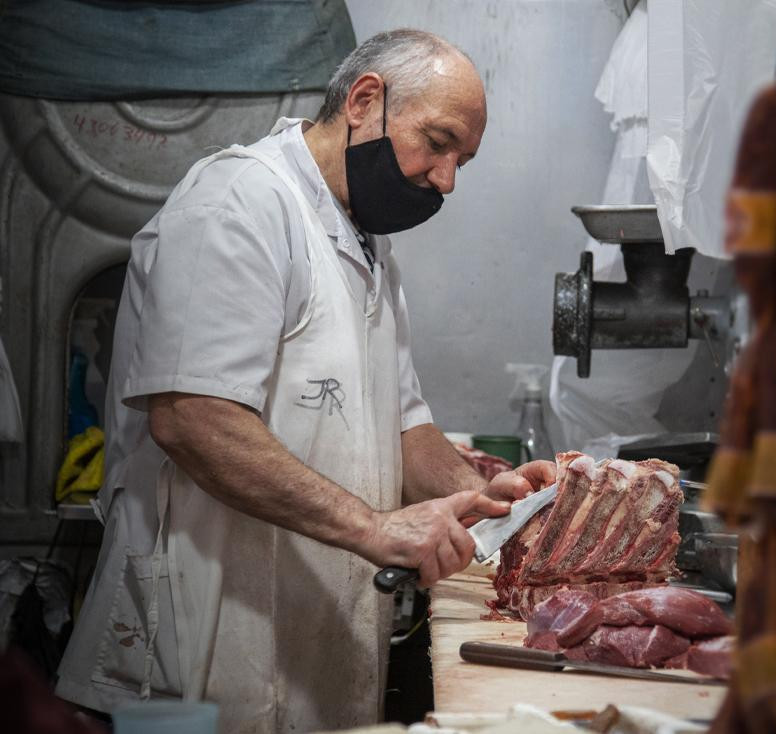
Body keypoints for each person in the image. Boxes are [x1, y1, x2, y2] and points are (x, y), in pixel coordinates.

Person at [55, 29, 555, 733]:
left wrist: (483, 499)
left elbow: (402, 427)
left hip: (311, 645)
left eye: (461, 161)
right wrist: (375, 529)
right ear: (364, 100)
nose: (446, 180)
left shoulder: (368, 246)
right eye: (437, 143)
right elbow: (194, 417)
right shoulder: (237, 203)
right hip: (192, 652)